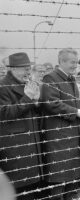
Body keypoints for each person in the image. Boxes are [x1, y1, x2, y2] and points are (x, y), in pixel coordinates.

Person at [41, 48, 80, 200]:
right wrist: (75, 111)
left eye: (76, 62)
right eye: (72, 62)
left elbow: (70, 101)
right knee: (59, 173)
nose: (75, 66)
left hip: (70, 133)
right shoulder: (51, 78)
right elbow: (51, 102)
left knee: (71, 171)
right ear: (62, 62)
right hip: (59, 134)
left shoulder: (69, 78)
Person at [0, 52, 43, 199]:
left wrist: (36, 102)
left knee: (33, 188)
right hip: (16, 147)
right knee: (20, 190)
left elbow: (33, 111)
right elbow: (5, 114)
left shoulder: (27, 84)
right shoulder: (2, 86)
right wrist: (28, 98)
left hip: (32, 144)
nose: (28, 71)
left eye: (29, 68)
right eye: (24, 68)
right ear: (12, 69)